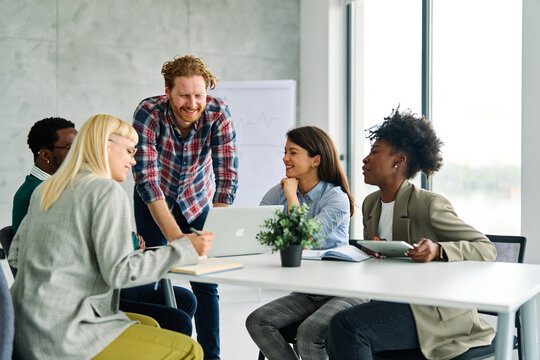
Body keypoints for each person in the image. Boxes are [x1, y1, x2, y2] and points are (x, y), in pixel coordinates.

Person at [8, 114, 213, 360]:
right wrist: (185, 249)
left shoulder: (46, 189)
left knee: (151, 325)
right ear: (106, 146)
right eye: (128, 151)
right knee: (190, 349)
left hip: (24, 327)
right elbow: (120, 273)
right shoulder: (104, 190)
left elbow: (16, 255)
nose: (133, 161)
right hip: (65, 335)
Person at [326, 108, 497, 360]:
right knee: (336, 327)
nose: (364, 160)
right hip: (393, 301)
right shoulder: (371, 204)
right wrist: (372, 250)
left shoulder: (428, 204)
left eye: (374, 152)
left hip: (432, 311)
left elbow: (485, 248)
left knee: (347, 327)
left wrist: (438, 250)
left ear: (398, 161)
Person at [132, 54, 238, 359]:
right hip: (155, 200)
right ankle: (159, 349)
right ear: (167, 92)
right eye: (183, 96)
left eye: (199, 95)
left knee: (205, 282)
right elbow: (147, 181)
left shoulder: (218, 113)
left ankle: (209, 356)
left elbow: (227, 177)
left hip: (196, 199)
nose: (192, 103)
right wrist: (177, 240)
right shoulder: (148, 112)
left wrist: (218, 234)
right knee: (152, 274)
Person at [245, 126, 367, 360]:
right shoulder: (278, 192)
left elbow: (305, 239)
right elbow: (257, 228)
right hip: (308, 292)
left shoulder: (336, 198)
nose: (285, 158)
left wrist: (292, 198)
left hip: (344, 291)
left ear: (315, 160)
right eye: (285, 152)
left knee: (309, 333)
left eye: (293, 153)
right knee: (258, 321)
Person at [12, 117, 77, 234]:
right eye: (71, 147)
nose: (78, 154)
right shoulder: (39, 192)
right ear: (45, 155)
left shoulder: (39, 186)